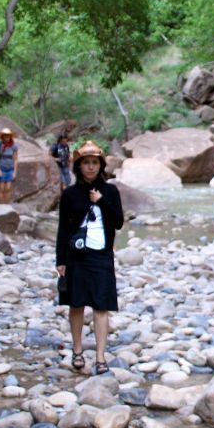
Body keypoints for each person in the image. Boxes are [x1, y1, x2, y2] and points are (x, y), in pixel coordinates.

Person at [55, 140, 124, 375]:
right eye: (86, 163)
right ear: (79, 166)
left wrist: (101, 201)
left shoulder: (111, 191)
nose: (91, 167)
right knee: (76, 304)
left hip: (102, 256)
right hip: (76, 257)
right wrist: (60, 261)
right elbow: (63, 228)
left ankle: (100, 356)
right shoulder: (70, 195)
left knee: (101, 306)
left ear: (101, 165)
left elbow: (118, 222)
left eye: (95, 163)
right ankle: (76, 350)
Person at [0, 127, 19, 204]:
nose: (7, 137)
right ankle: (1, 205)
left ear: (10, 136)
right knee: (1, 188)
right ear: (2, 136)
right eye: (5, 135)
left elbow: (16, 159)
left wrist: (15, 172)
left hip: (10, 168)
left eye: (8, 135)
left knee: (8, 188)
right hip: (1, 168)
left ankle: (6, 205)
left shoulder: (14, 146)